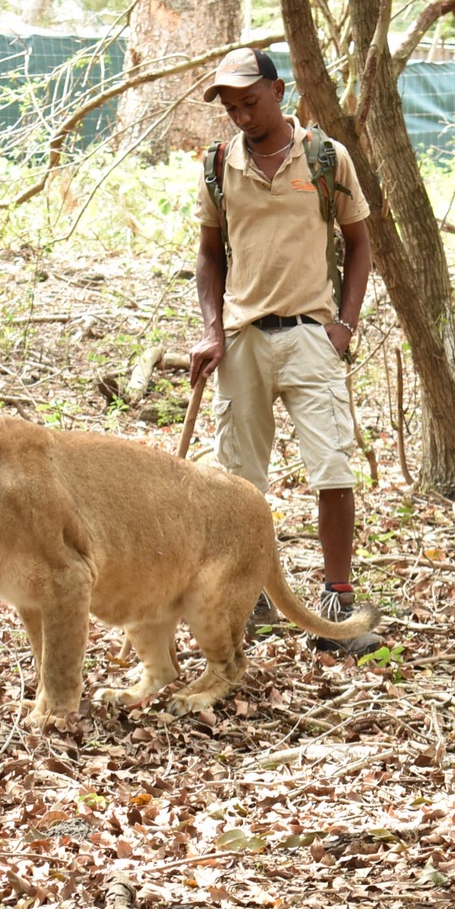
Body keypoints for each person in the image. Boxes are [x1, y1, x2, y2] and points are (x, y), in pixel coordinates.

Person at [187, 47, 380, 656]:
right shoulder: (220, 164)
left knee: (332, 469)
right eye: (232, 107)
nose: (241, 116)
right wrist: (212, 330)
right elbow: (210, 254)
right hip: (243, 337)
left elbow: (359, 246)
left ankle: (337, 602)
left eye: (250, 101)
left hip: (310, 335)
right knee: (239, 481)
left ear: (279, 92)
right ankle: (252, 600)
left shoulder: (326, 158)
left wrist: (344, 327)